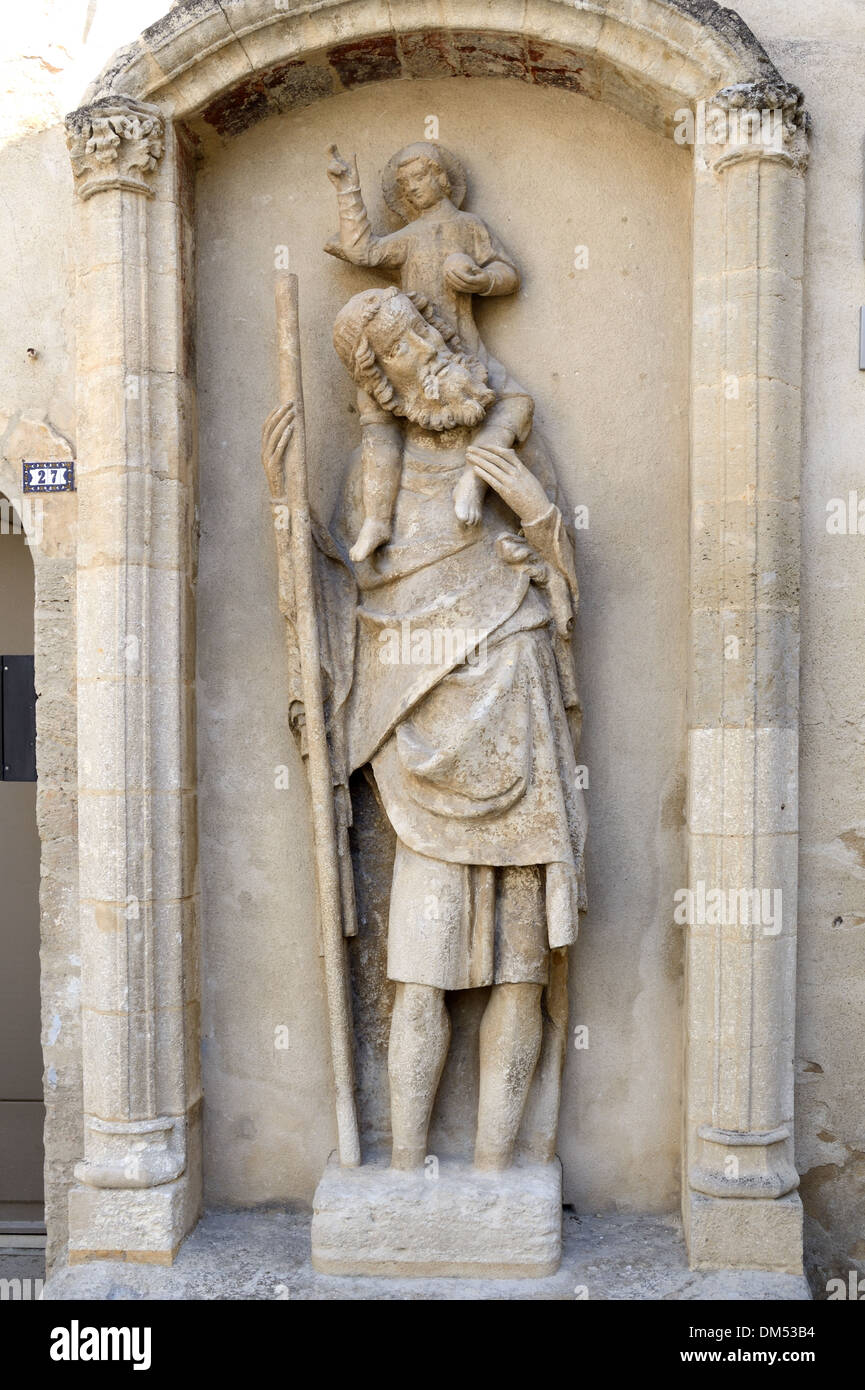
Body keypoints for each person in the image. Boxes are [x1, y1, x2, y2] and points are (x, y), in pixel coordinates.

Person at [262, 286, 587, 1171]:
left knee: (521, 968)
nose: (431, 342)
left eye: (426, 325)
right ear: (385, 382)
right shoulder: (377, 476)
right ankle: (403, 1171)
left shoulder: (508, 441)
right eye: (405, 344)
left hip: (516, 721)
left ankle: (493, 1172)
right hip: (420, 745)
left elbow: (565, 592)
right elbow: (334, 609)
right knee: (421, 969)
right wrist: (285, 507)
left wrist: (536, 516)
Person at [325, 141, 534, 559]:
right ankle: (377, 521)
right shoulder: (408, 237)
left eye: (419, 177)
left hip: (455, 345)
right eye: (404, 184)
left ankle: (475, 476)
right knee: (377, 420)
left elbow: (508, 272)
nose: (412, 188)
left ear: (441, 178)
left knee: (515, 401)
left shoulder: (469, 226)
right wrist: (348, 189)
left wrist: (480, 281)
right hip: (395, 347)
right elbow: (362, 250)